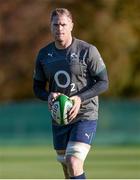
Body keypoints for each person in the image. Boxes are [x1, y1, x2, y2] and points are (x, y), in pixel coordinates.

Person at [33, 8, 109, 179]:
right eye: (56, 25)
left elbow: (104, 82)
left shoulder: (87, 51)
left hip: (85, 114)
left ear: (71, 26)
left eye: (63, 24)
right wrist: (49, 96)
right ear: (51, 27)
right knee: (67, 167)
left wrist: (79, 98)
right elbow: (37, 88)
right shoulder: (44, 55)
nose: (60, 28)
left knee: (74, 161)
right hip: (60, 117)